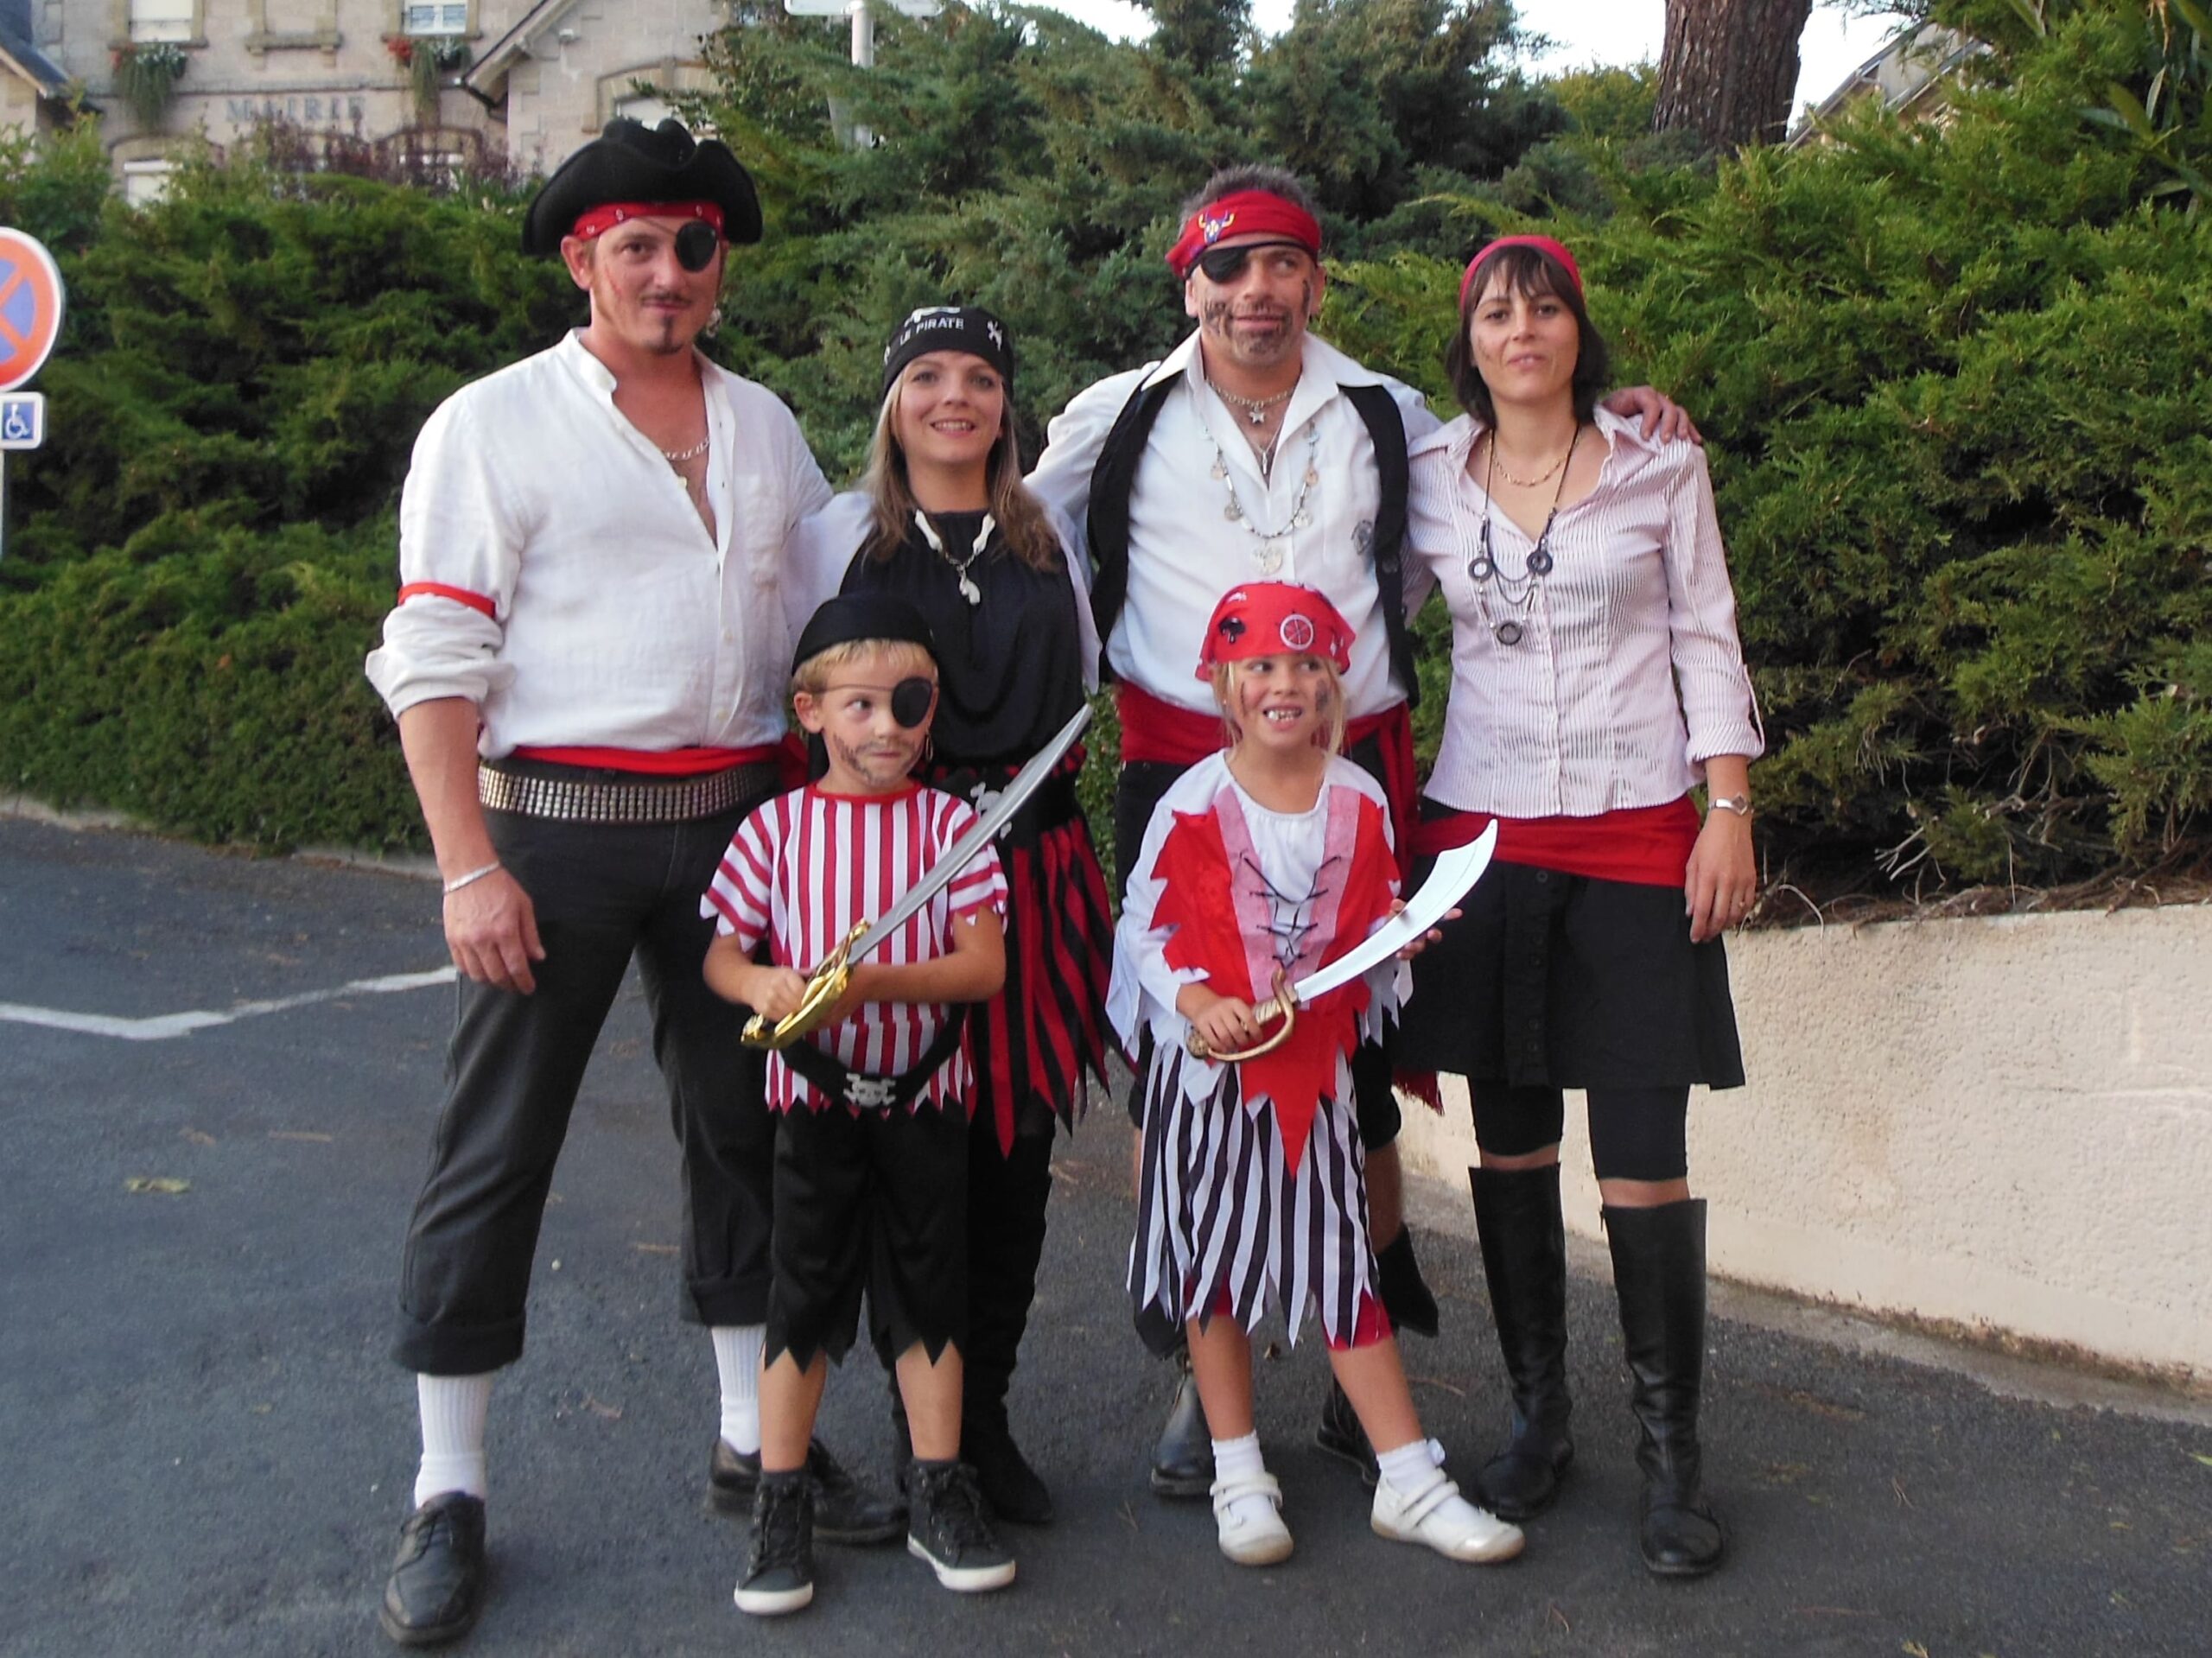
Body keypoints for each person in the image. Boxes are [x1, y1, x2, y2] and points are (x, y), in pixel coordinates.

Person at [1027, 162, 1694, 1496]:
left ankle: (1356, 1350)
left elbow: (1513, 467)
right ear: (1189, 282)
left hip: (1350, 778)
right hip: (1184, 773)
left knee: (1356, 1078)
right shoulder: (1119, 418)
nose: (1255, 290)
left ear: (1316, 280)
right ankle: (1206, 1377)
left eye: (1282, 263)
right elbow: (1016, 531)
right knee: (1193, 1072)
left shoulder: (1393, 415)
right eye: (1227, 267)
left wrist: (1616, 408)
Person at [360, 118, 894, 1649]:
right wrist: (467, 865)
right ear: (582, 262)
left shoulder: (766, 425)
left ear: (719, 266)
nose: (669, 272)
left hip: (735, 825)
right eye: (637, 247)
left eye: (692, 246)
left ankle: (750, 1443)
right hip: (555, 833)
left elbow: (827, 617)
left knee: (746, 1135)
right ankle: (448, 1486)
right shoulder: (491, 424)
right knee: (496, 1144)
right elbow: (436, 657)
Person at [1396, 235, 1764, 1579]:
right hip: (1481, 834)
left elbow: (1706, 634)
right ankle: (1539, 1419)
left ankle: (1672, 1461)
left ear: (1577, 330)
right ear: (1471, 342)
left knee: (1643, 1153)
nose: (1523, 330)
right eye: (1498, 313)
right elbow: (1367, 626)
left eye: (1544, 308)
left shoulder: (1661, 464)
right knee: (1510, 1147)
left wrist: (1730, 806)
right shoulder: (1427, 473)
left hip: (1637, 826)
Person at [1112, 581, 1522, 1569]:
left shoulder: (1360, 799)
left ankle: (1407, 1478)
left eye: (1305, 665)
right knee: (1212, 1268)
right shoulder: (1191, 800)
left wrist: (1398, 942)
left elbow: (1367, 931)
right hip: (1209, 1082)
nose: (1284, 684)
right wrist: (1195, 1001)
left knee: (1343, 1263)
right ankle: (1238, 1472)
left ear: (1332, 682)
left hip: (1314, 1084)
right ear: (1225, 685)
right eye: (1259, 665)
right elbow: (1142, 928)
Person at [783, 306, 1111, 1526]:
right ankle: (927, 1441)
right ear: (892, 401)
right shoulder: (838, 541)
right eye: (927, 375)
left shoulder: (1050, 535)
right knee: (916, 1166)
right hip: (897, 880)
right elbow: (800, 705)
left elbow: (1085, 678)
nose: (955, 397)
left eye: (979, 376)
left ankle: (988, 1421)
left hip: (1035, 873)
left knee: (1013, 1162)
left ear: (1006, 403)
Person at [702, 593, 1015, 1615]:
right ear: (809, 710)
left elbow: (982, 967)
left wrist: (870, 981)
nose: (888, 726)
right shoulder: (776, 829)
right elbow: (721, 955)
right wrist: (764, 982)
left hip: (926, 1099)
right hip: (814, 1104)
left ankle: (938, 1487)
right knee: (802, 1295)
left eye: (909, 704)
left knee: (931, 1291)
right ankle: (781, 1499)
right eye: (862, 705)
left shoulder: (954, 828)